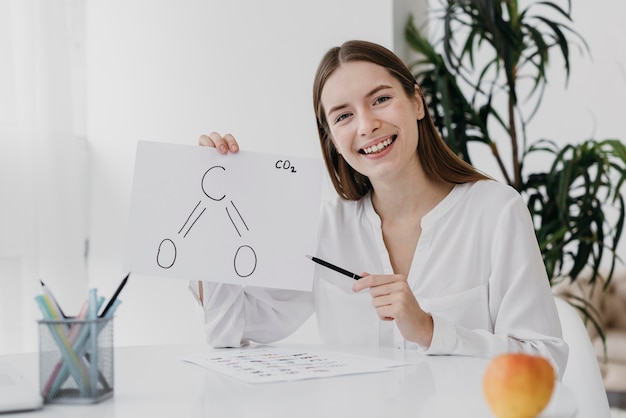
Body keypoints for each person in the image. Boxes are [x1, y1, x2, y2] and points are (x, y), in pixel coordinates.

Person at [189, 40, 568, 378]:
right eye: (343, 116)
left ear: (416, 102)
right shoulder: (326, 228)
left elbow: (545, 361)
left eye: (381, 100)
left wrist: (430, 330)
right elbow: (230, 328)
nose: (367, 125)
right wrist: (220, 212)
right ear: (333, 139)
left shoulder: (496, 211)